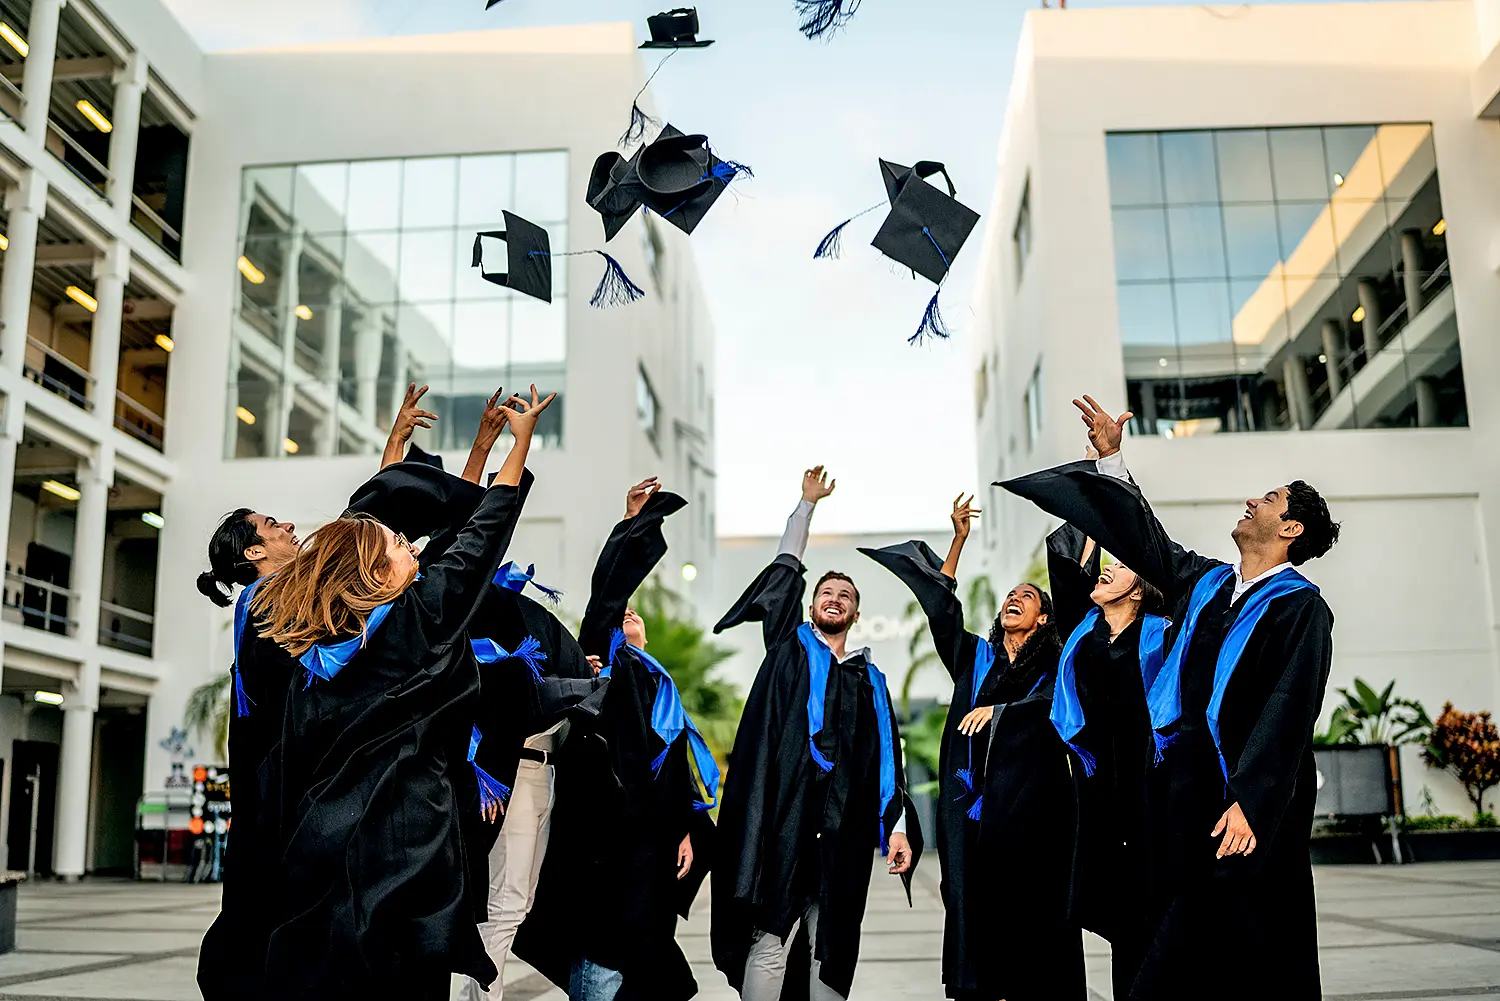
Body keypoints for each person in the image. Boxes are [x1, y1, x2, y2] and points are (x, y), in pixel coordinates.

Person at [1001, 395, 1340, 1001]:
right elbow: (1146, 540)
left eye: (1267, 500)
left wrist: (1250, 801)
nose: (1251, 502)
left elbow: (1289, 711)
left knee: (1255, 953)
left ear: (1290, 529)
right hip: (1185, 800)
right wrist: (1111, 462)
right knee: (1182, 952)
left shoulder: (1300, 608)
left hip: (1248, 813)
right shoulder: (1209, 585)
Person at [252, 385, 554, 1001]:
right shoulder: (421, 620)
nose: (409, 545)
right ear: (375, 575)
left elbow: (436, 538)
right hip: (409, 849)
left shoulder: (312, 660)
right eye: (397, 546)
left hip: (326, 845)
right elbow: (481, 537)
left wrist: (478, 449)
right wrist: (518, 446)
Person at [196, 383, 496, 1001]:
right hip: (298, 782)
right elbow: (378, 542)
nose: (287, 526)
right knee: (306, 924)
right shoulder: (270, 608)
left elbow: (385, 537)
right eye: (271, 525)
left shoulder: (297, 599)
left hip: (310, 777)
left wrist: (402, 447)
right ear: (255, 552)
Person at [860, 494, 1081, 1001]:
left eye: (1027, 596)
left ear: (1045, 619)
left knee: (1034, 919)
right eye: (1010, 595)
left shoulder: (1056, 665)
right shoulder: (975, 659)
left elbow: (1052, 707)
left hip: (1032, 813)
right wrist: (958, 540)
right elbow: (942, 609)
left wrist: (1001, 714)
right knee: (970, 909)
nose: (1014, 599)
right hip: (972, 813)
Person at [711, 467, 920, 1001]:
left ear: (855, 613)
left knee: (833, 942)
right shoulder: (790, 648)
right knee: (771, 935)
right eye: (826, 591)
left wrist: (895, 827)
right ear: (810, 606)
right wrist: (805, 507)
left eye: (845, 594)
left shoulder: (871, 680)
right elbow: (785, 571)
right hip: (786, 817)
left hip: (844, 826)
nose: (834, 597)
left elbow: (886, 764)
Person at [517, 479, 715, 1001]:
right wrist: (631, 524)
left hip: (651, 845)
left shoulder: (658, 683)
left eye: (634, 616)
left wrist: (688, 829)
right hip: (604, 840)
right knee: (601, 955)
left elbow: (676, 772)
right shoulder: (601, 671)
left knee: (645, 963)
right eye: (619, 617)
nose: (627, 616)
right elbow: (607, 595)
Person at [1043, 508, 1166, 996]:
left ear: (1139, 590)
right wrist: (1090, 505)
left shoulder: (1163, 636)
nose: (1108, 568)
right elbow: (1070, 566)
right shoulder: (1084, 634)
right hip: (1098, 796)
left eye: (1123, 565)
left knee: (1153, 911)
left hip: (1151, 789)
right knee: (1118, 918)